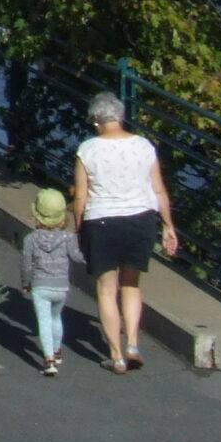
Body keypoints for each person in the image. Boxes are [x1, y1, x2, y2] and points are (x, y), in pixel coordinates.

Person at [68, 91, 178, 374]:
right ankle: (132, 344)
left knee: (106, 289)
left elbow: (81, 197)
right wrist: (168, 225)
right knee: (131, 284)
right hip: (140, 220)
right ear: (120, 116)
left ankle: (116, 356)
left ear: (96, 120)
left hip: (102, 221)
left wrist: (79, 228)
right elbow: (158, 190)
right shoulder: (143, 146)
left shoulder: (87, 150)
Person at [19, 187, 84, 377]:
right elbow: (77, 256)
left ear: (36, 214)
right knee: (56, 317)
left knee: (44, 321)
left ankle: (49, 359)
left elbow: (26, 264)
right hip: (61, 286)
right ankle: (57, 350)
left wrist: (25, 282)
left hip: (40, 285)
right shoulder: (68, 237)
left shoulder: (30, 239)